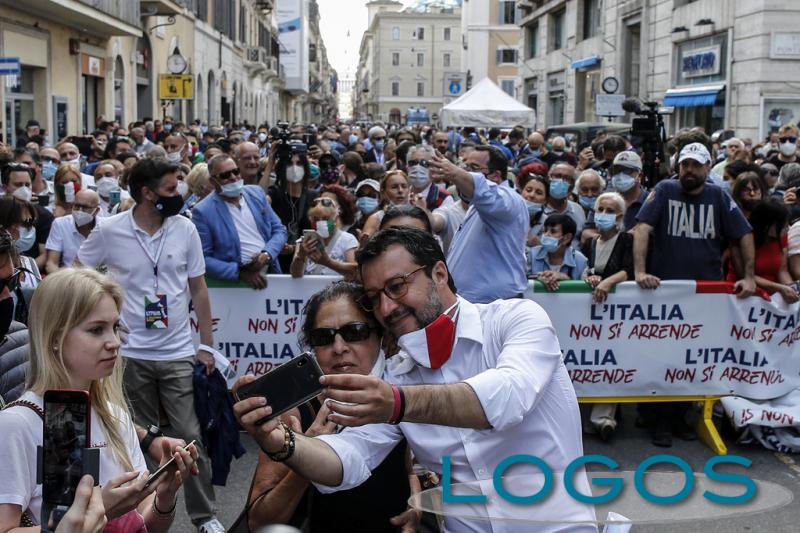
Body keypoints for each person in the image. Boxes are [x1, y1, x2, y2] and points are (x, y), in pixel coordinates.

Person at [233, 227, 596, 533]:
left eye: (397, 286)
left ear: (439, 273)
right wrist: (284, 444)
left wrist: (399, 403)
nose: (387, 308)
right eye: (375, 298)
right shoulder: (398, 373)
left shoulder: (514, 319)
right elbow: (350, 457)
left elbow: (507, 397)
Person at [77, 157, 225, 533]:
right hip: (127, 355)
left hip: (176, 352)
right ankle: (141, 515)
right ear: (147, 193)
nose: (179, 195)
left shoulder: (185, 229)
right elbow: (79, 273)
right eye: (172, 188)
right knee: (139, 440)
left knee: (190, 437)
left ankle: (204, 516)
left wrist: (207, 345)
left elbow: (198, 288)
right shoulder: (109, 229)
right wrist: (104, 323)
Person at [0, 267, 199, 532]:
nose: (114, 342)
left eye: (115, 327)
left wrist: (165, 495)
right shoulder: (16, 425)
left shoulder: (115, 415)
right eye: (96, 330)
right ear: (55, 337)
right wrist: (99, 510)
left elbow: (146, 525)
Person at [241, 281, 420, 532]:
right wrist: (305, 452)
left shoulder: (403, 390)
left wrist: (419, 502)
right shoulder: (295, 411)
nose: (339, 348)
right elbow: (260, 521)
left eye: (355, 332)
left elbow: (420, 466)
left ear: (380, 334)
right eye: (323, 338)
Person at [634, 142, 756, 447]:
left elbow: (743, 234)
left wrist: (749, 278)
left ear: (707, 167)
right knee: (662, 355)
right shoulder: (664, 190)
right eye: (685, 164)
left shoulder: (718, 195)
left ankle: (682, 416)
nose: (690, 170)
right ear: (679, 166)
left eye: (696, 165)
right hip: (665, 291)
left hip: (705, 295)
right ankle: (660, 420)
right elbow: (642, 229)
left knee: (694, 358)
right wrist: (639, 271)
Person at [429, 145, 528, 303]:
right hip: (473, 304)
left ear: (496, 176)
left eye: (474, 168)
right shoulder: (477, 204)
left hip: (494, 305)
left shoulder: (508, 199)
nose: (466, 173)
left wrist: (454, 172)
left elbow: (484, 191)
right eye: (465, 166)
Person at [192, 154, 287, 290]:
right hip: (233, 287)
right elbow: (203, 259)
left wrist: (267, 254)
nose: (233, 177)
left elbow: (279, 230)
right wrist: (240, 272)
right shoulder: (202, 211)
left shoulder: (257, 194)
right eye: (225, 175)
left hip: (270, 273)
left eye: (236, 172)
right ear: (213, 181)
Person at [726, 200, 798, 302]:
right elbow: (743, 274)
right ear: (766, 226)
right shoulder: (741, 237)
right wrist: (780, 288)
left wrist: (792, 289)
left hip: (771, 296)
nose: (787, 228)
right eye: (783, 226)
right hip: (742, 294)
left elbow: (782, 270)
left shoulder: (780, 236)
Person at [261, 144, 317, 272]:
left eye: (299, 163)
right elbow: (259, 201)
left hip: (304, 263)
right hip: (276, 261)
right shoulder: (275, 193)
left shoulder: (313, 196)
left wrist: (294, 248)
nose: (294, 168)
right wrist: (270, 165)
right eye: (290, 164)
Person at [290, 196, 358, 279]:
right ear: (310, 219)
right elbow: (295, 275)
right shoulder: (304, 241)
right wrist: (301, 255)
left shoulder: (347, 239)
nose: (320, 222)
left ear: (335, 217)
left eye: (326, 218)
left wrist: (328, 262)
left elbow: (355, 270)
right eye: (316, 219)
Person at [45, 189, 100, 273]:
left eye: (85, 207)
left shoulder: (105, 227)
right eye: (77, 206)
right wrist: (66, 282)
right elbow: (51, 264)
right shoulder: (60, 224)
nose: (80, 211)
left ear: (96, 211)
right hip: (69, 278)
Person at [528, 214, 588, 290]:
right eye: (545, 230)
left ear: (567, 238)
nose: (546, 235)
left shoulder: (580, 260)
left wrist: (566, 278)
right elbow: (521, 278)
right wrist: (538, 278)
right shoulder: (532, 253)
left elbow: (584, 290)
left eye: (553, 231)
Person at [360, 170, 410, 244]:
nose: (400, 190)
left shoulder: (419, 214)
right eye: (394, 187)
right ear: (383, 193)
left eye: (404, 186)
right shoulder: (377, 218)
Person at [544, 163, 585, 241]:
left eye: (566, 178)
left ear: (572, 186)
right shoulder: (538, 209)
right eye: (557, 176)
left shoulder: (578, 210)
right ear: (549, 179)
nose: (561, 181)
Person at [608, 151, 648, 231]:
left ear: (639, 175)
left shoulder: (650, 201)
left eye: (627, 171)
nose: (620, 175)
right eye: (616, 170)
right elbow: (587, 232)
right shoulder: (605, 200)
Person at [406, 145, 451, 212]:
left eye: (424, 163)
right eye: (413, 163)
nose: (418, 167)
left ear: (434, 168)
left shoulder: (443, 197)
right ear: (407, 167)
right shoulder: (401, 193)